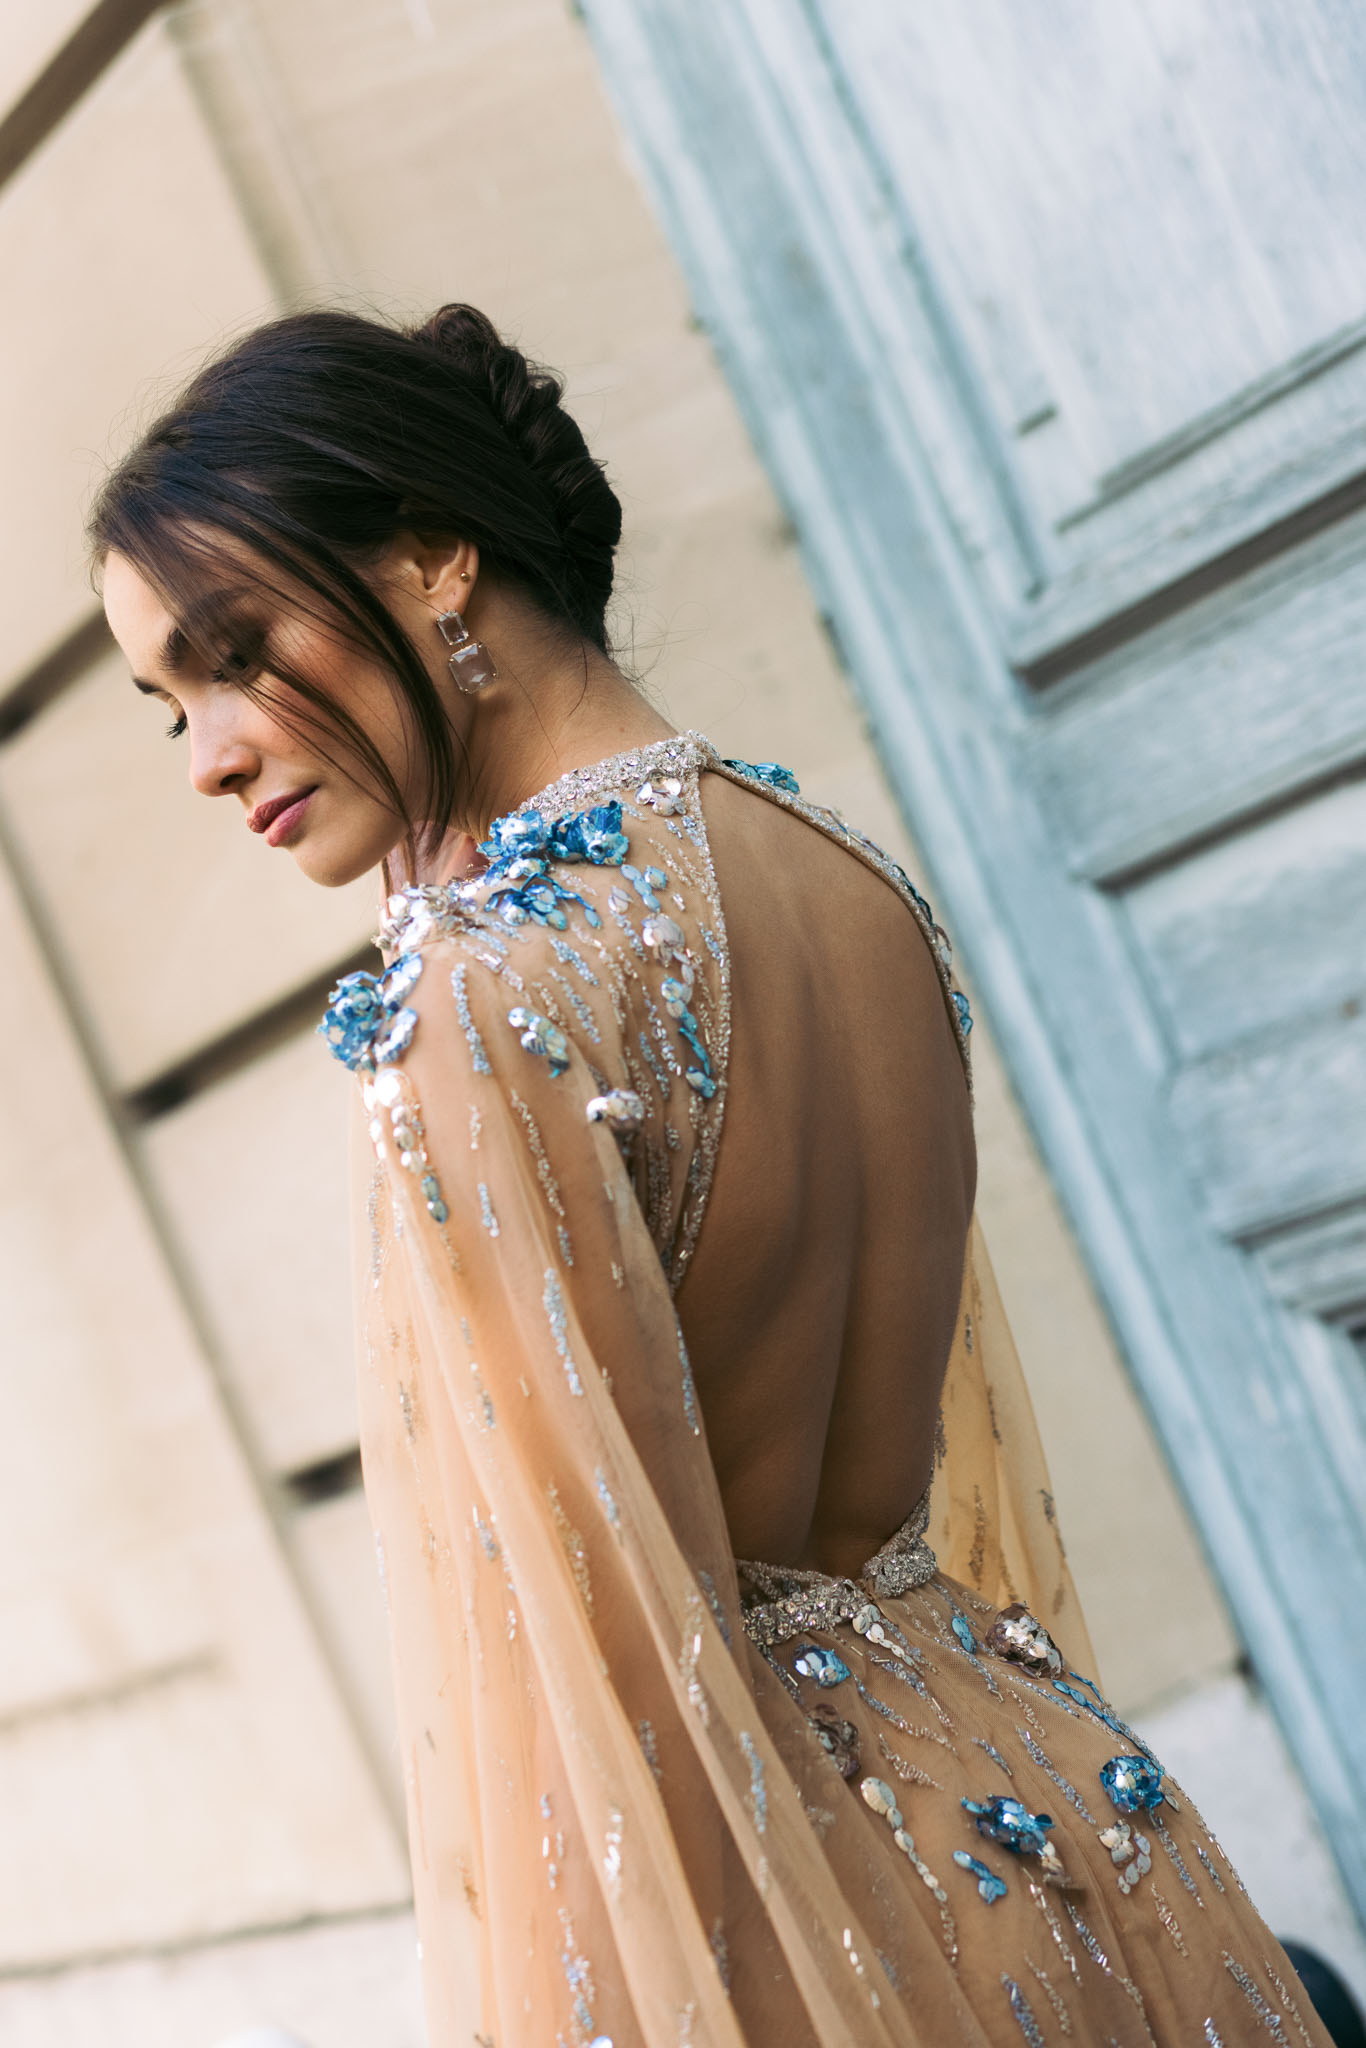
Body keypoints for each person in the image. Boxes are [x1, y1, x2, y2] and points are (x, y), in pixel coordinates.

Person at [94, 304, 1332, 2047]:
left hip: (801, 1905)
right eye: (170, 710)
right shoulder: (849, 876)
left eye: (235, 650)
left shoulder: (479, 996)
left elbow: (606, 1679)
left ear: (437, 558)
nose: (212, 749)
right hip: (1067, 1820)